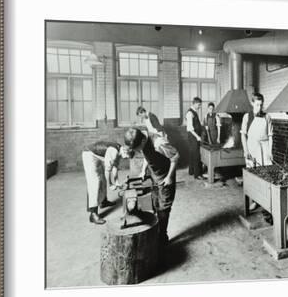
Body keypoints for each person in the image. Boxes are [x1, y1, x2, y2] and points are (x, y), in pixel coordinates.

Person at [124, 128, 180, 256]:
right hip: (154, 174)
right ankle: (158, 232)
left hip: (165, 176)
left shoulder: (158, 142)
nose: (138, 151)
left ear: (143, 140)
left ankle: (163, 238)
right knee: (155, 204)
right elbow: (146, 154)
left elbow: (176, 156)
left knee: (164, 207)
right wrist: (144, 170)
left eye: (138, 148)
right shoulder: (141, 137)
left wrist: (169, 177)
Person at [241, 92, 274, 211]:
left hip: (264, 148)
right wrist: (246, 151)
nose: (259, 108)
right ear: (252, 103)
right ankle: (255, 200)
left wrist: (270, 151)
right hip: (252, 147)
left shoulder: (267, 117)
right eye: (257, 105)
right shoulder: (247, 117)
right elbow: (243, 135)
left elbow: (270, 136)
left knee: (266, 175)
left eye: (261, 105)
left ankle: (267, 201)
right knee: (253, 175)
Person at [82, 141, 125, 225]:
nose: (127, 157)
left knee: (102, 179)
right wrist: (111, 185)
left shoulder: (120, 150)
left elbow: (115, 167)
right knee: (95, 182)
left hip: (96, 156)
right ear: (125, 151)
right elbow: (108, 171)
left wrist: (116, 182)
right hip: (89, 154)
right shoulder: (114, 151)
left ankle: (103, 201)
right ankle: (93, 214)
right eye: (128, 155)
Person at [186, 97, 204, 180]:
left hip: (194, 136)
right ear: (195, 103)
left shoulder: (194, 112)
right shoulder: (190, 113)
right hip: (193, 136)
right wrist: (197, 137)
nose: (200, 107)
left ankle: (191, 171)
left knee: (192, 154)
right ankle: (197, 175)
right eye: (199, 105)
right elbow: (190, 128)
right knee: (196, 155)